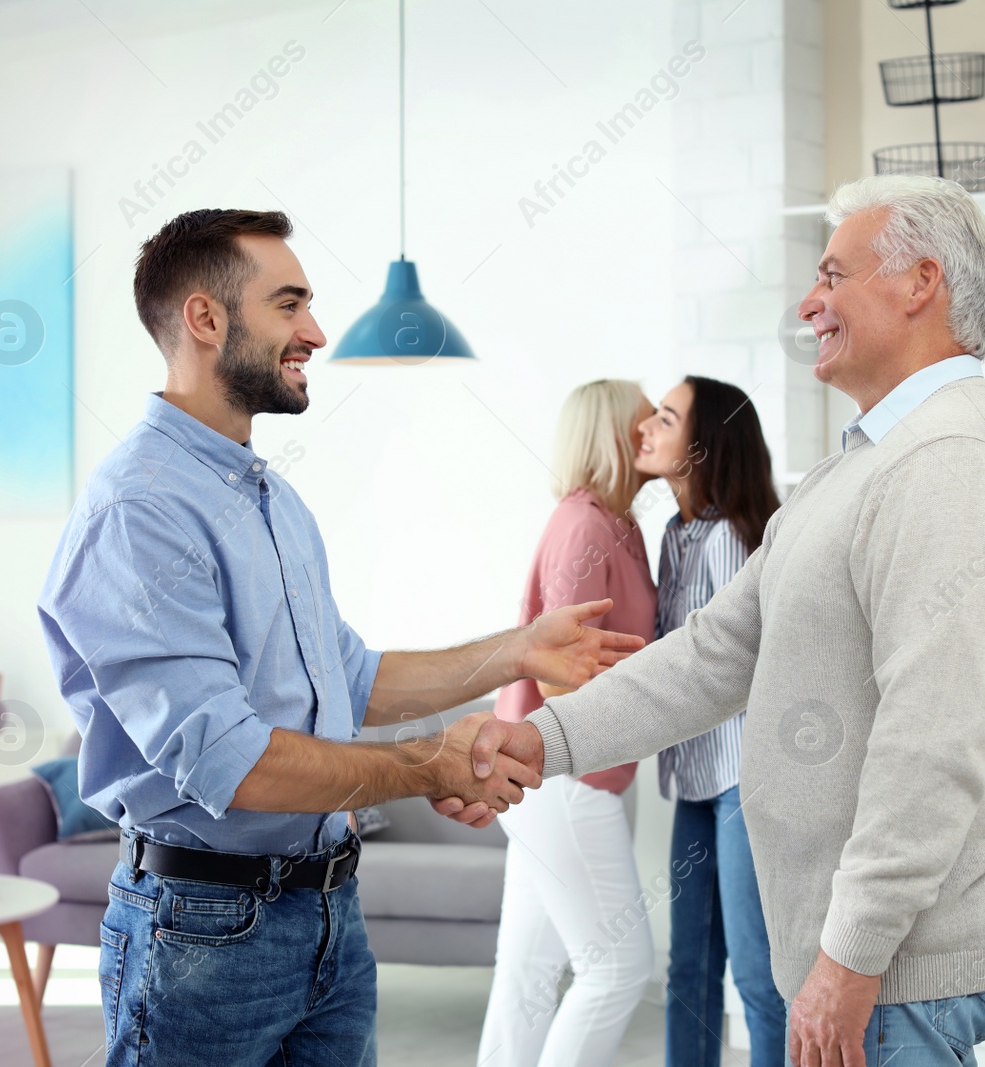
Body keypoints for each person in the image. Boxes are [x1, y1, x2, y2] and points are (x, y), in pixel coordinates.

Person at [469, 174, 985, 1066]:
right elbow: (711, 655)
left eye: (833, 274)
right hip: (859, 963)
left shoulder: (947, 467)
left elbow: (933, 745)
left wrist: (849, 962)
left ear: (919, 283)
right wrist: (538, 741)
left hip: (896, 976)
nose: (808, 301)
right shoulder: (860, 467)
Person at [36, 209, 644, 1067]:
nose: (315, 332)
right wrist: (424, 763)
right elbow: (231, 760)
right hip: (203, 933)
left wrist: (519, 648)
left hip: (327, 914)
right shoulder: (140, 509)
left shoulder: (271, 500)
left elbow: (352, 679)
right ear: (206, 319)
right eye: (290, 306)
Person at [477, 379, 660, 1067]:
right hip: (566, 775)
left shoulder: (620, 523)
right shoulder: (584, 524)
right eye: (644, 425)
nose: (655, 435)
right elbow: (560, 674)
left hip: (559, 778)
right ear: (611, 434)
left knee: (525, 975)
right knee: (618, 969)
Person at [633, 375, 785, 1066]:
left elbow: (719, 671)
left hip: (744, 782)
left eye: (666, 418)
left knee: (758, 976)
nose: (647, 428)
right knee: (689, 969)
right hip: (695, 776)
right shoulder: (676, 532)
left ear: (702, 445)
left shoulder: (731, 538)